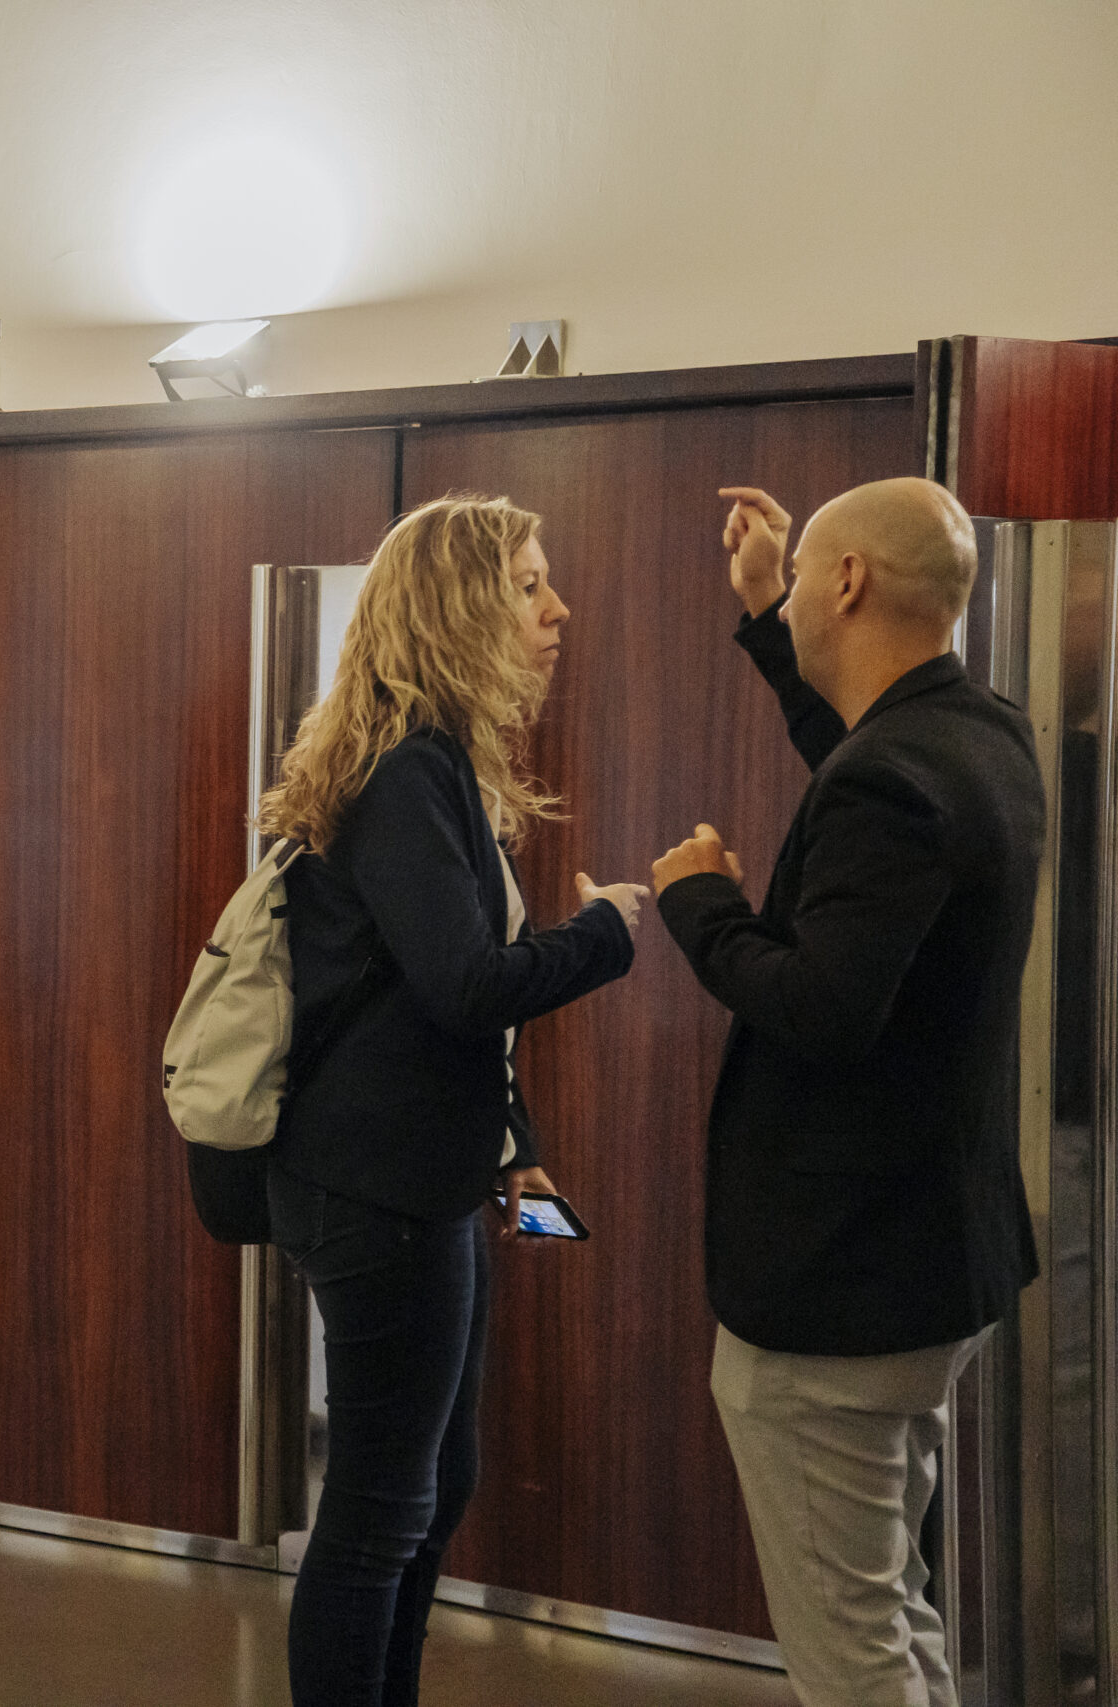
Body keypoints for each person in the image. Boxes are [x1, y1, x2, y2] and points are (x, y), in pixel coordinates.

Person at [652, 481, 1042, 1707]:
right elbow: (863, 769)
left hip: (839, 1284)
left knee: (851, 1650)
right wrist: (767, 606)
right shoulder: (980, 735)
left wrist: (698, 904)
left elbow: (821, 1005)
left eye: (801, 580)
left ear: (850, 580)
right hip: (927, 1265)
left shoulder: (894, 776)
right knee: (888, 1610)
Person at [260, 495, 645, 1707]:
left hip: (429, 1178)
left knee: (434, 1487)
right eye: (528, 585)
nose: (555, 609)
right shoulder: (405, 774)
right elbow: (467, 984)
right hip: (372, 1190)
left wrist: (511, 1142)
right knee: (382, 1508)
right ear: (457, 609)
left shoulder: (434, 766)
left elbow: (424, 1003)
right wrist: (605, 931)